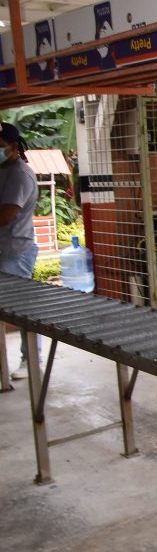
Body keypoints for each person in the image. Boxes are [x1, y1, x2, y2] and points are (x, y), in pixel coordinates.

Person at [0, 122, 39, 380]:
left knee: (23, 310)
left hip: (16, 252)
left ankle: (31, 360)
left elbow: (7, 214)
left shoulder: (20, 175)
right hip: (4, 250)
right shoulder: (2, 170)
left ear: (14, 147)